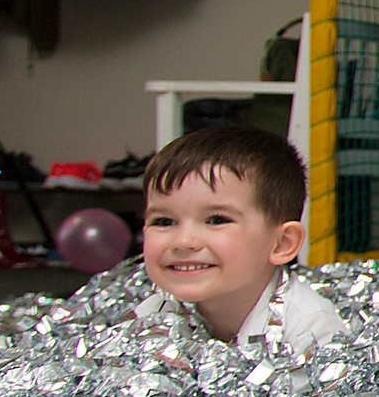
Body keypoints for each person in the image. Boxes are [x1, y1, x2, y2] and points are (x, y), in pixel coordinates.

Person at [138, 126, 344, 355]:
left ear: (282, 244)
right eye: (164, 222)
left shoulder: (310, 329)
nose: (183, 241)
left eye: (216, 220)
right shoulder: (156, 313)